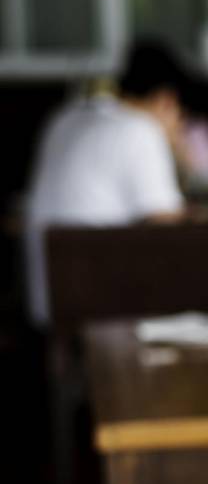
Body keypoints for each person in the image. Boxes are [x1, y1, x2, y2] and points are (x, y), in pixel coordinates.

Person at [24, 41, 189, 326]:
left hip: (45, 300)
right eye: (182, 117)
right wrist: (180, 152)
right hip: (104, 306)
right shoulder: (140, 129)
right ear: (166, 101)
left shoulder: (64, 117)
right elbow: (168, 225)